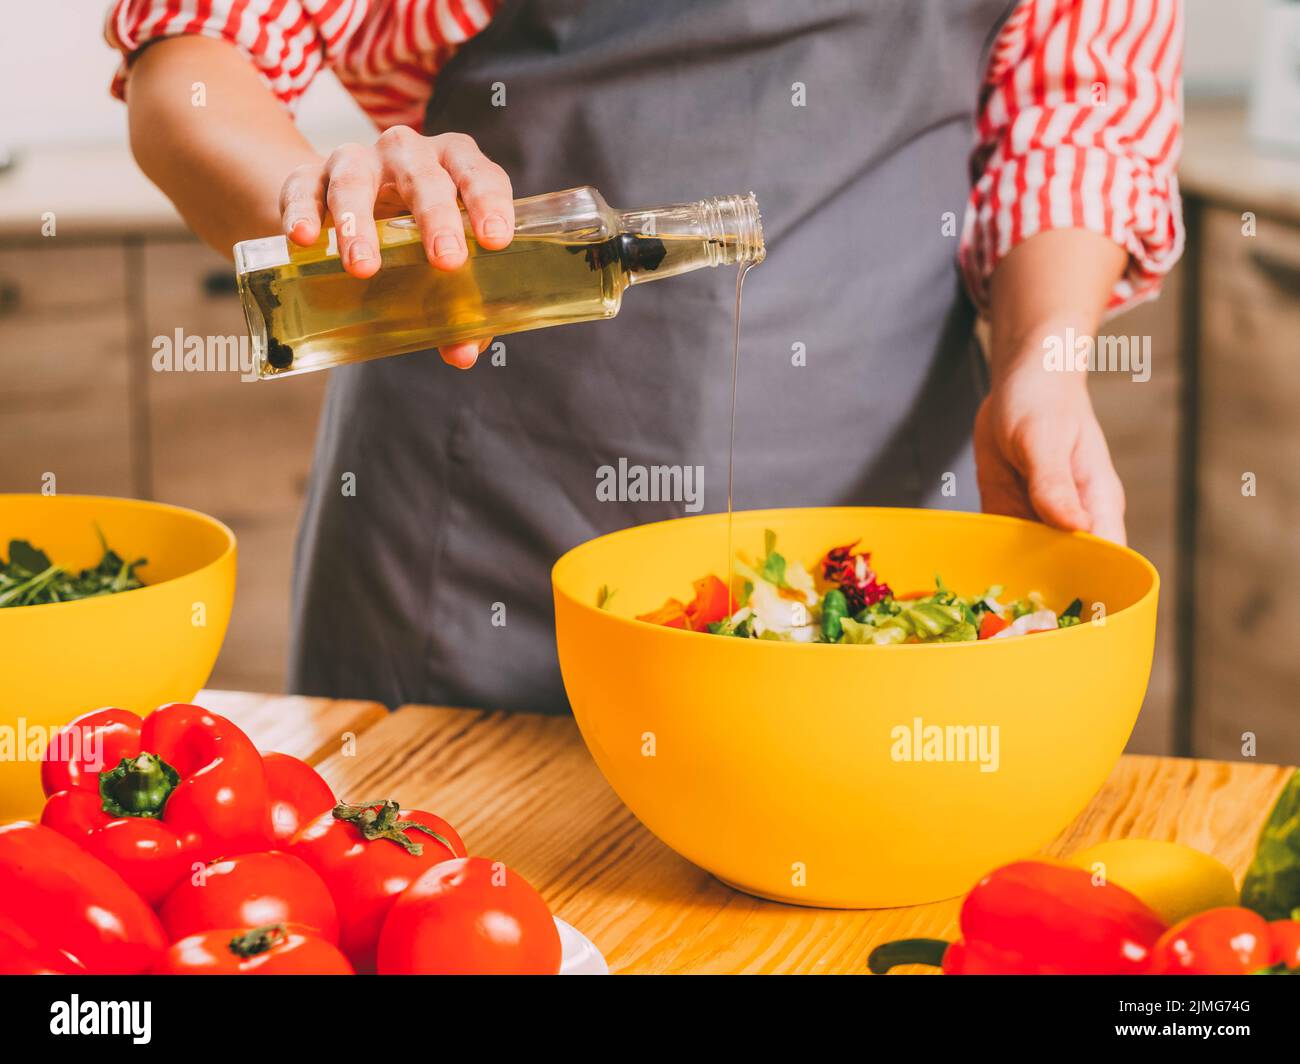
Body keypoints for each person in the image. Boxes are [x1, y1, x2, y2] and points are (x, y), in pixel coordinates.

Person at [107, 0, 1183, 711]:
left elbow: (1077, 110)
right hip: (475, 527)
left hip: (881, 520)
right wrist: (330, 218)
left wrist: (1046, 355)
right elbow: (198, 54)